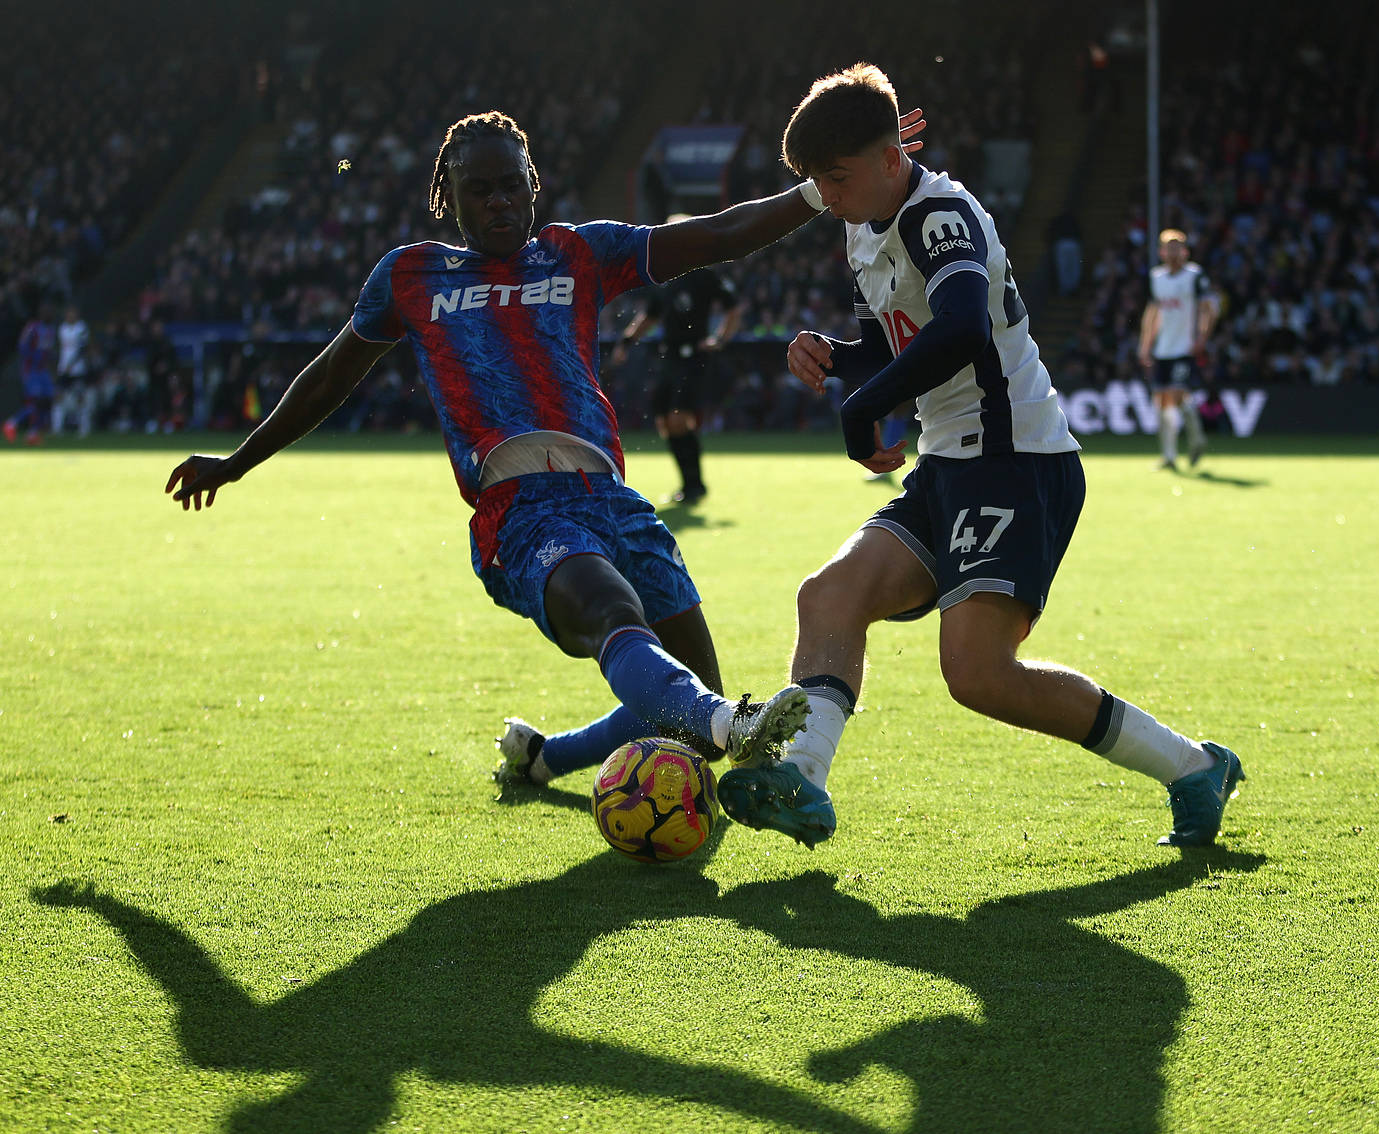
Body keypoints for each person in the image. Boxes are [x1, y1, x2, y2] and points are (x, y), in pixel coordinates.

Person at [166, 109, 916, 786]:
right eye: (478, 189)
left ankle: (548, 757)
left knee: (683, 712)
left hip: (613, 501)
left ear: (534, 187)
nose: (497, 202)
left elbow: (716, 234)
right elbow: (329, 377)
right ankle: (732, 718)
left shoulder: (579, 254)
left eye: (510, 186)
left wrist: (818, 192)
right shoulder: (409, 276)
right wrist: (236, 462)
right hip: (518, 509)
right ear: (447, 198)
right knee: (615, 615)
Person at [715, 64, 1244, 850]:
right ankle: (804, 777)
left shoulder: (940, 214)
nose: (826, 195)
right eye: (816, 181)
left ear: (891, 157)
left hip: (1016, 458)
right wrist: (840, 356)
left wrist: (864, 406)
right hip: (951, 462)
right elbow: (905, 336)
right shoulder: (865, 224)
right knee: (828, 596)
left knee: (979, 675)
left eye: (837, 176)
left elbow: (962, 326)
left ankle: (1193, 766)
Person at [610, 240, 743, 506]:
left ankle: (695, 485)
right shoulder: (664, 279)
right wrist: (626, 341)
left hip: (692, 356)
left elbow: (734, 307)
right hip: (668, 357)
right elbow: (649, 316)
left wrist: (719, 339)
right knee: (664, 423)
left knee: (679, 418)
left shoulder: (703, 276)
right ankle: (688, 484)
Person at [1137, 229, 1217, 469]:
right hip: (1163, 349)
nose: (1172, 251)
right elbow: (1152, 314)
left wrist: (1202, 337)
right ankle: (1170, 455)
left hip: (1184, 347)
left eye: (1177, 246)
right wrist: (1145, 345)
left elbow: (1207, 308)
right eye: (1168, 246)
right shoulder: (1156, 278)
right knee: (1161, 401)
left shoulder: (1194, 276)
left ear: (1185, 251)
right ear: (1161, 251)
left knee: (1176, 394)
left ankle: (1197, 439)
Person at [3, 303, 57, 444]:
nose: (49, 314)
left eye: (50, 312)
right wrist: (32, 358)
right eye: (46, 312)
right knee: (35, 401)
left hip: (43, 370)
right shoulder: (32, 327)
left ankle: (33, 433)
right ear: (41, 314)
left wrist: (50, 364)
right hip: (31, 370)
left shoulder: (51, 330)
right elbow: (21, 346)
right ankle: (11, 424)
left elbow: (49, 351)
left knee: (48, 400)